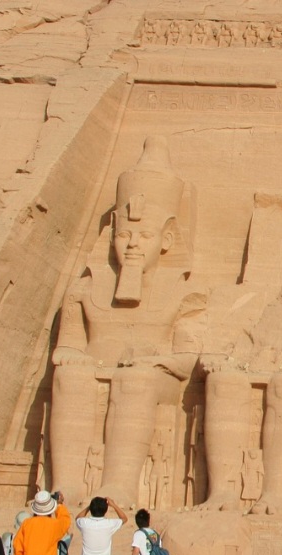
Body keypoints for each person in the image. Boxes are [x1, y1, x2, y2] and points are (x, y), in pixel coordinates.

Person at [49, 135, 204, 506]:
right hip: (98, 368)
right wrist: (73, 356)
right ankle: (65, 486)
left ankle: (118, 486)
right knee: (70, 378)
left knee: (134, 381)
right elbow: (65, 348)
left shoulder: (182, 292)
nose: (133, 244)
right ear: (112, 233)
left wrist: (151, 361)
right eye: (124, 235)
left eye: (146, 235)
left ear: (167, 239)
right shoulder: (86, 288)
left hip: (155, 379)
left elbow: (187, 359)